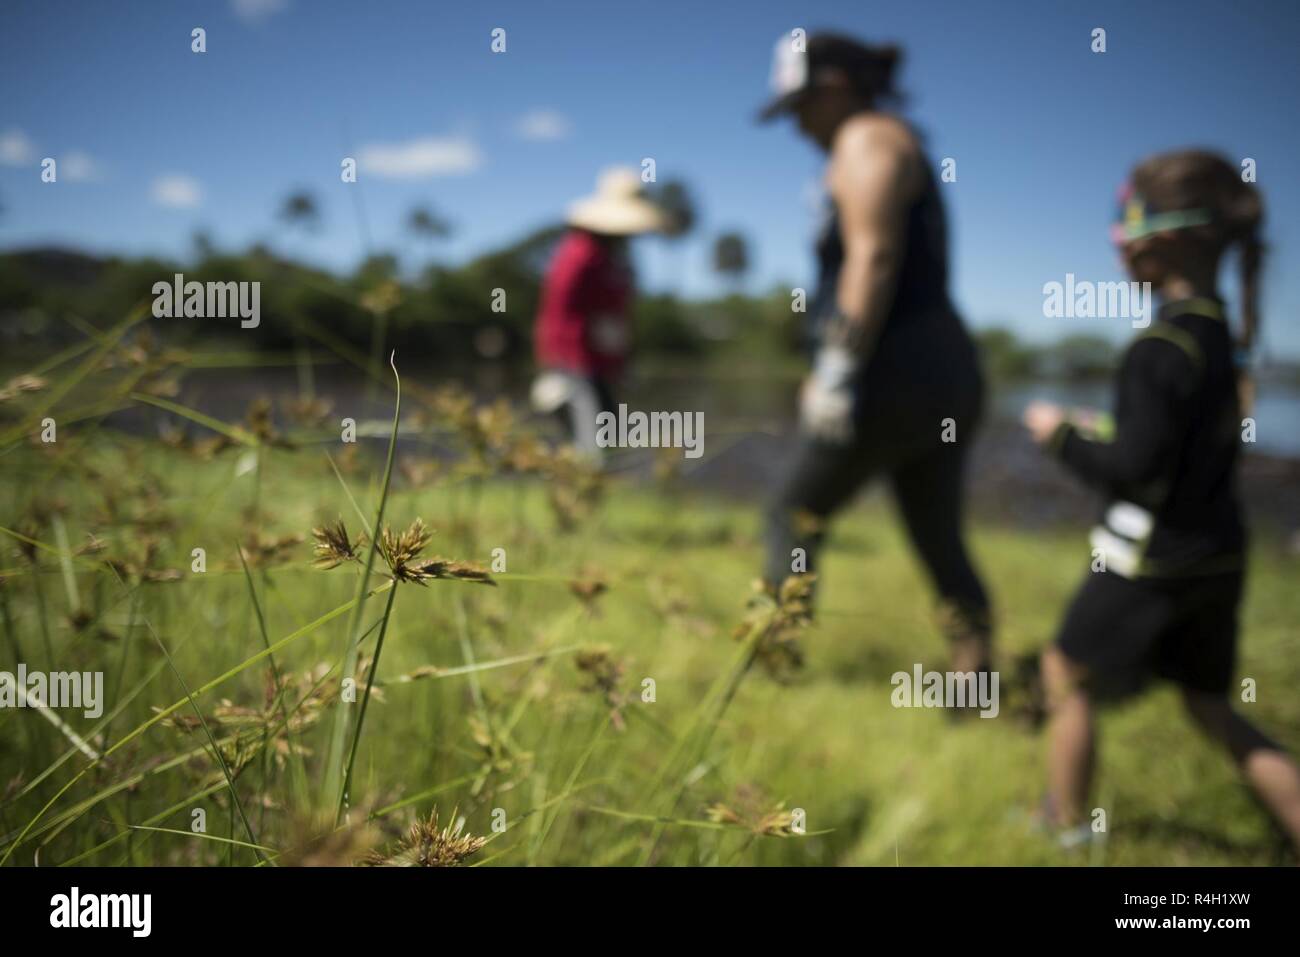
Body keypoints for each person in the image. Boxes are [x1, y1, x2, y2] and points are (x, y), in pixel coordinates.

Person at [1023, 149, 1300, 852]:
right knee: (1209, 705)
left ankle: (1063, 826)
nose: (1116, 241)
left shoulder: (1157, 346)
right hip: (1220, 556)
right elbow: (1176, 450)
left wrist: (1058, 435)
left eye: (1124, 224)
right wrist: (1108, 433)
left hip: (1152, 562)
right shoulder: (1217, 337)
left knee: (1063, 669)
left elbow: (1132, 469)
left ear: (1160, 238)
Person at [757, 32, 992, 677]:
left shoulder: (865, 139)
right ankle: (973, 678)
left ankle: (776, 662)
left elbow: (874, 255)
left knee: (791, 515)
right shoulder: (895, 137)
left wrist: (837, 369)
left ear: (833, 88)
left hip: (890, 371)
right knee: (937, 532)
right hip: (946, 370)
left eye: (801, 108)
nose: (798, 126)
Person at [531, 168, 666, 458]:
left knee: (608, 437)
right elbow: (557, 310)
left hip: (602, 367)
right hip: (575, 365)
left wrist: (620, 363)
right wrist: (558, 363)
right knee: (591, 448)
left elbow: (619, 317)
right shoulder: (578, 253)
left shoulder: (616, 260)